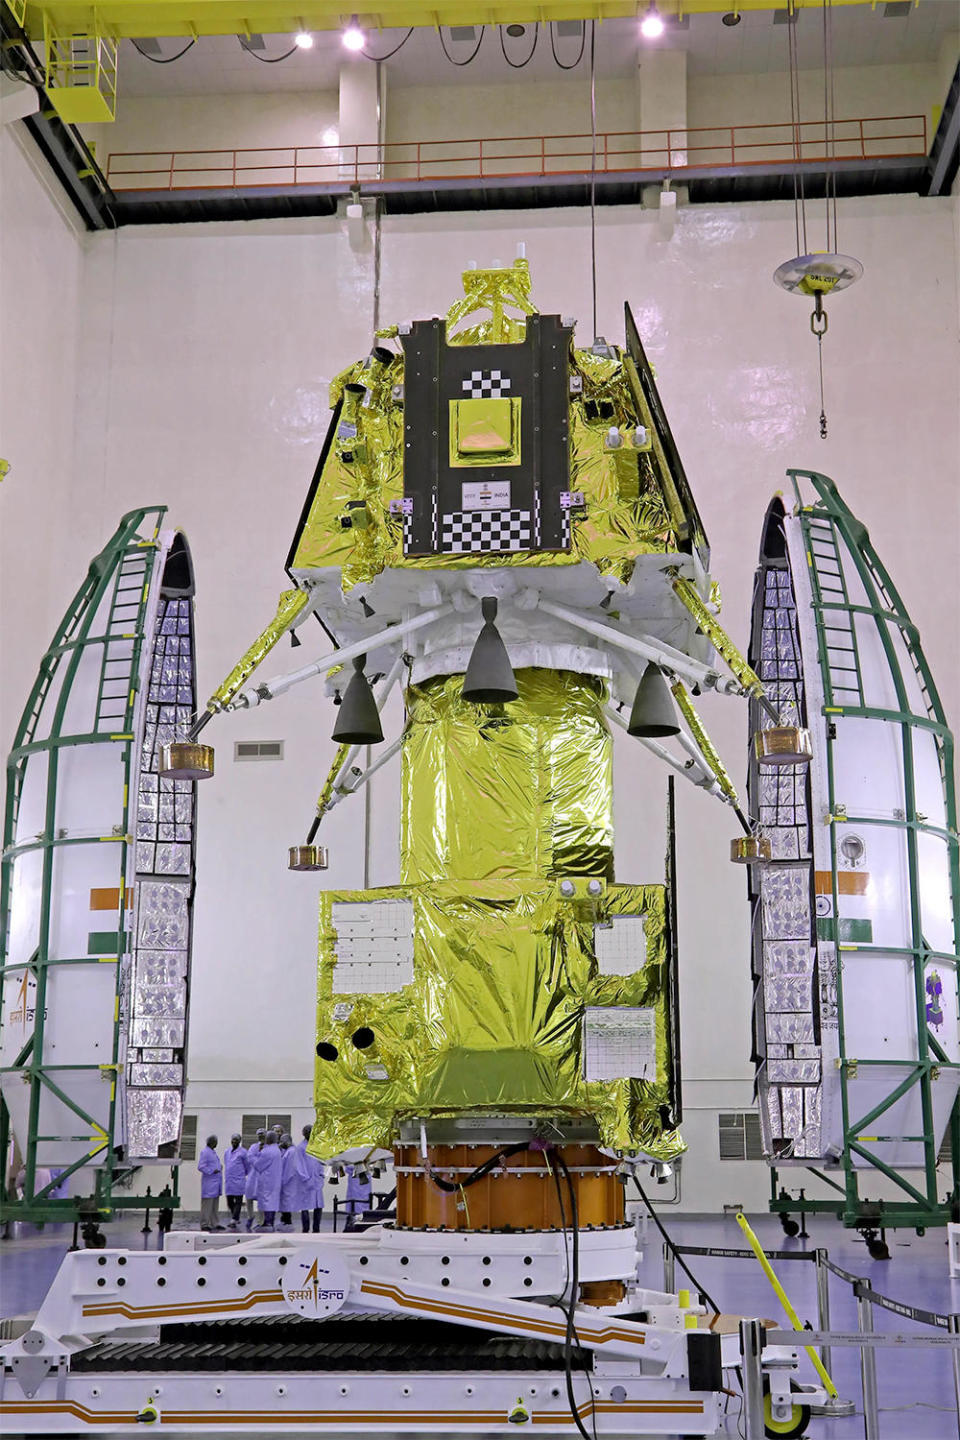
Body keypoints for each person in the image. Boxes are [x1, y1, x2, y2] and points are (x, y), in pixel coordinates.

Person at [278, 1132, 309, 1232]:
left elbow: (289, 1169)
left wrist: (283, 1181)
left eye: (282, 1142)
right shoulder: (289, 1151)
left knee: (286, 1203)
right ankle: (285, 1221)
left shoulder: (291, 1152)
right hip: (287, 1181)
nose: (280, 1144)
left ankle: (288, 1222)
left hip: (288, 1182)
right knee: (285, 1203)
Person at [251, 1131, 283, 1231]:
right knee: (272, 1202)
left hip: (267, 1182)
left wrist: (252, 1157)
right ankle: (270, 1222)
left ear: (268, 1139)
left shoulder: (267, 1151)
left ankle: (267, 1223)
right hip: (275, 1180)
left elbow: (258, 1166)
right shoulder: (277, 1150)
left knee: (267, 1202)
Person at [297, 1124, 325, 1233]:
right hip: (306, 1181)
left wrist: (321, 1174)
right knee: (305, 1205)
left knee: (318, 1205)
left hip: (317, 1180)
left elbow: (321, 1161)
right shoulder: (300, 1148)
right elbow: (299, 1165)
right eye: (309, 1132)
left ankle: (316, 1228)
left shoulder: (317, 1146)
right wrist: (305, 1178)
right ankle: (305, 1228)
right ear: (305, 1134)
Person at [197, 1135, 223, 1232]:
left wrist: (219, 1167)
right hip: (209, 1183)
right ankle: (204, 1223)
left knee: (214, 1205)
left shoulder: (212, 1152)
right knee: (207, 1205)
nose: (217, 1143)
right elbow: (201, 1166)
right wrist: (212, 1170)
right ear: (212, 1142)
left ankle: (214, 1223)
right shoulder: (205, 1152)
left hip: (215, 1184)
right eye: (216, 1142)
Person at [222, 1134, 248, 1230]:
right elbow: (226, 1163)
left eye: (236, 1140)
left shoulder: (243, 1152)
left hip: (239, 1180)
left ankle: (234, 1219)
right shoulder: (227, 1152)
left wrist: (242, 1174)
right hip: (229, 1180)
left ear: (239, 1141)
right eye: (233, 1140)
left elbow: (247, 1166)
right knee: (229, 1201)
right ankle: (235, 1217)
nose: (234, 1141)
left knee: (238, 1201)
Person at [243, 1129, 265, 1230]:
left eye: (262, 1135)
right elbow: (249, 1157)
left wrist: (258, 1161)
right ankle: (250, 1216)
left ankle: (261, 1221)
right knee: (248, 1197)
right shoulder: (253, 1147)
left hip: (263, 1176)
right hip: (252, 1176)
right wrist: (258, 1161)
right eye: (259, 1136)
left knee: (261, 1200)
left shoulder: (269, 1147)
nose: (261, 1137)